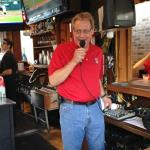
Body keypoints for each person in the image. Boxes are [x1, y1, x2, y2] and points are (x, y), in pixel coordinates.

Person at [48, 12, 112, 150]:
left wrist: (103, 96)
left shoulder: (98, 52)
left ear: (92, 31)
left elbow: (97, 79)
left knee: (98, 147)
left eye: (85, 31)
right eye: (77, 31)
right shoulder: (61, 50)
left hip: (95, 108)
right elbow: (53, 80)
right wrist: (73, 61)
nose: (81, 35)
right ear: (72, 31)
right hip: (71, 110)